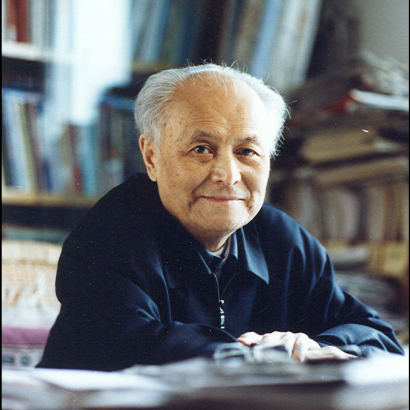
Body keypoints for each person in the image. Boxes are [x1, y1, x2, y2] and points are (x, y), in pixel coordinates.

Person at [37, 64, 404, 371]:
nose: (227, 174)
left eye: (247, 151)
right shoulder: (106, 239)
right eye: (201, 149)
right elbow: (130, 350)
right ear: (152, 157)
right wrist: (260, 355)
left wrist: (309, 348)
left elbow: (378, 339)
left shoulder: (283, 240)